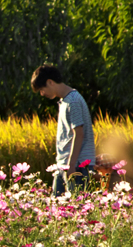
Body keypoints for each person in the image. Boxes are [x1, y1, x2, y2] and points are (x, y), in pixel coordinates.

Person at [31, 65, 96, 197]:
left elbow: (79, 134)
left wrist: (71, 166)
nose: (42, 94)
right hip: (64, 164)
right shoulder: (65, 101)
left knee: (74, 209)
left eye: (42, 90)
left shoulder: (73, 101)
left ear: (50, 82)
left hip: (77, 165)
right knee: (57, 209)